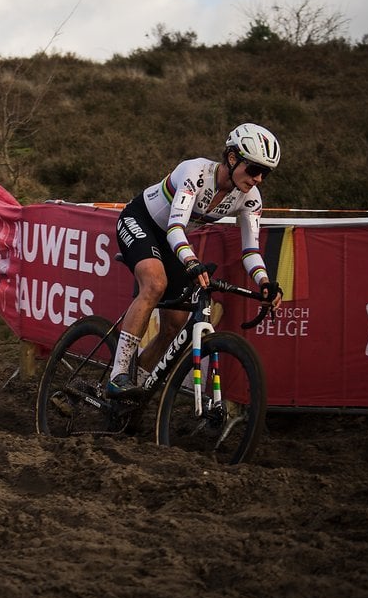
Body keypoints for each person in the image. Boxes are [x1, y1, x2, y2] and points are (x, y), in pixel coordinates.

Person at [107, 123, 284, 397]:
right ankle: (118, 374)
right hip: (140, 221)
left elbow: (250, 251)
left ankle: (136, 387)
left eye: (265, 173)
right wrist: (191, 261)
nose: (258, 178)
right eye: (254, 169)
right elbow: (176, 227)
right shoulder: (195, 172)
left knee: (174, 326)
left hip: (171, 241)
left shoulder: (250, 198)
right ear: (232, 157)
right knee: (154, 284)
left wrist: (265, 281)